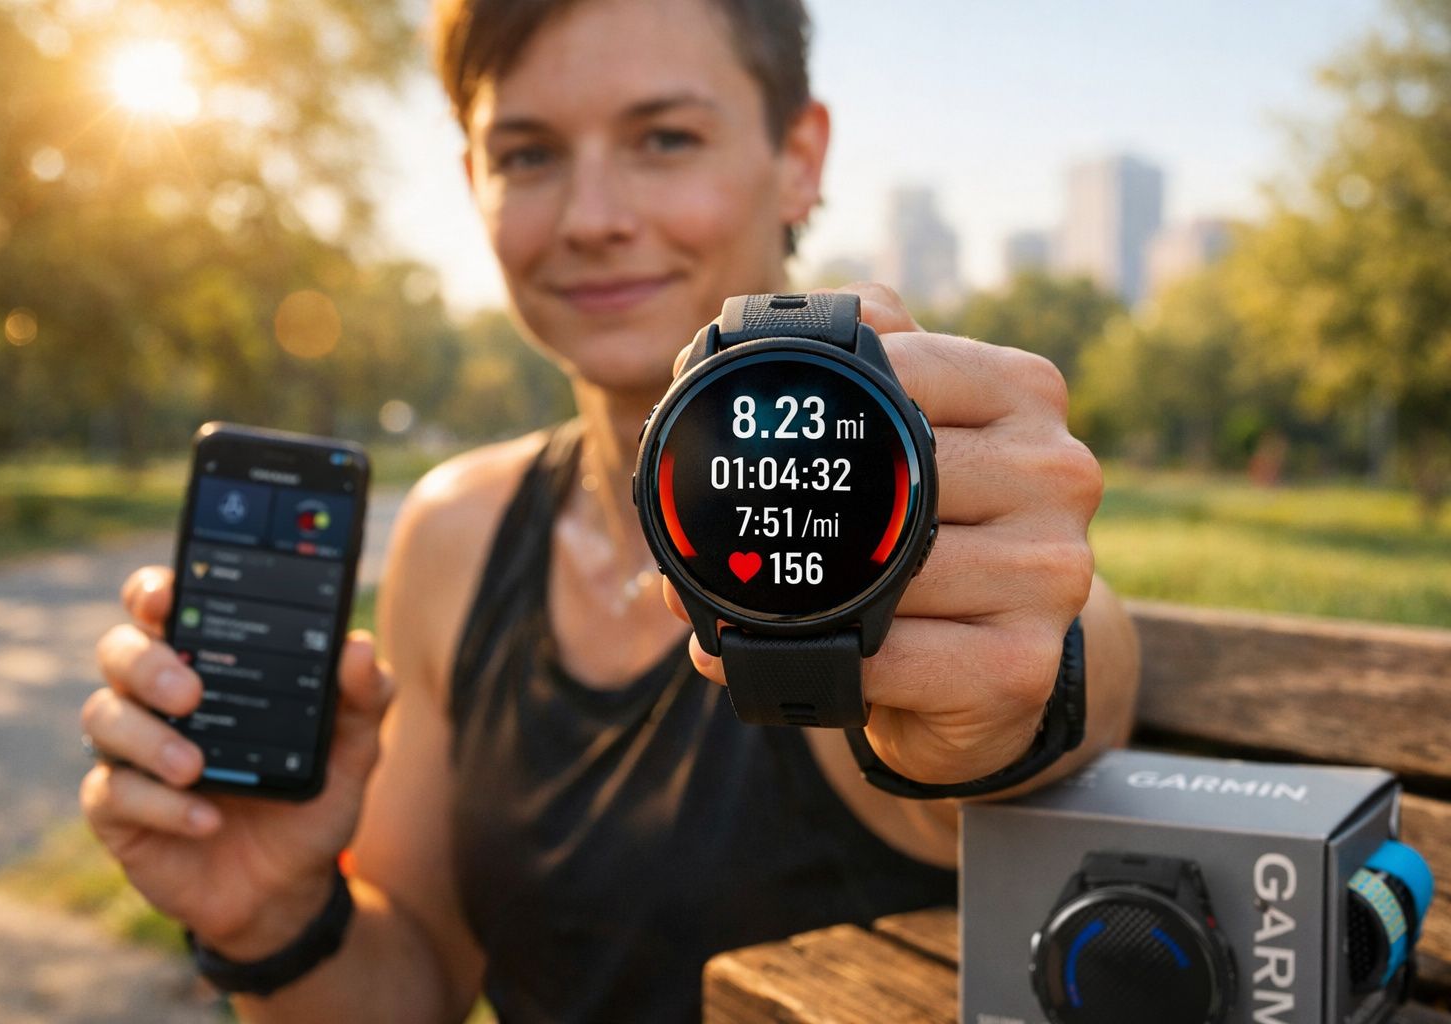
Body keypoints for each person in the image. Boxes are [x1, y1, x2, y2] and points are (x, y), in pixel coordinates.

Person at [80, 0, 1142, 1019]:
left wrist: (1015, 693)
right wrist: (272, 913)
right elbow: (416, 986)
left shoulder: (888, 517)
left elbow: (1037, 679)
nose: (591, 219)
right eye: (527, 154)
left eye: (665, 138)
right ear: (474, 182)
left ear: (798, 156)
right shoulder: (454, 533)